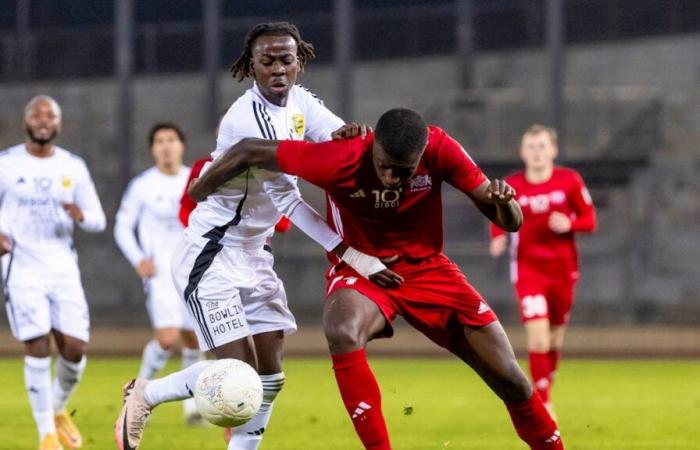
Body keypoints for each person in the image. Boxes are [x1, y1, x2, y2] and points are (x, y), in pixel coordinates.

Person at [190, 108, 565, 450]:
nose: (390, 178)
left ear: (421, 156)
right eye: (384, 165)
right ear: (374, 147)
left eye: (404, 171)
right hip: (360, 270)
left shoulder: (441, 148)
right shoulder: (340, 156)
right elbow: (251, 150)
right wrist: (198, 191)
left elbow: (509, 221)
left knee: (511, 381)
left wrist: (504, 202)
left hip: (429, 269)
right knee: (342, 328)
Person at [115, 22, 398, 450]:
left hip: (253, 254)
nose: (278, 69)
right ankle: (146, 395)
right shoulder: (248, 118)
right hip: (211, 254)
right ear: (251, 67)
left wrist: (352, 135)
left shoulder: (300, 102)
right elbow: (288, 201)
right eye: (267, 61)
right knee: (238, 375)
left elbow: (336, 139)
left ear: (299, 62)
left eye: (286, 59)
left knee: (270, 376)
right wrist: (350, 254)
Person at [0, 96, 106, 450]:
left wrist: (80, 215)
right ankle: (46, 434)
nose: (43, 120)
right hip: (22, 268)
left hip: (62, 267)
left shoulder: (72, 167)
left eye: (50, 115)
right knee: (37, 344)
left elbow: (98, 219)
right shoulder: (6, 163)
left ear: (59, 125)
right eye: (36, 114)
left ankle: (58, 409)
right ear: (25, 121)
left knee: (75, 349)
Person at [489, 125, 596, 418]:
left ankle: (546, 378)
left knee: (554, 339)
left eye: (542, 146)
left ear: (553, 150)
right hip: (528, 269)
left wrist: (570, 224)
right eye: (531, 146)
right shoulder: (513, 185)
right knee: (537, 337)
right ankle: (544, 402)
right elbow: (499, 214)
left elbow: (589, 220)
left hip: (563, 270)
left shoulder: (569, 181)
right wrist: (497, 236)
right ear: (523, 152)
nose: (537, 151)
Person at [114, 123, 204, 424]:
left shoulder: (196, 180)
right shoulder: (143, 185)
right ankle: (138, 392)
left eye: (171, 140)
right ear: (152, 149)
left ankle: (192, 408)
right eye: (160, 141)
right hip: (161, 274)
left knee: (194, 338)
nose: (166, 146)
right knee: (166, 339)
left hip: (193, 272)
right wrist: (139, 259)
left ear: (182, 145)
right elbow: (122, 227)